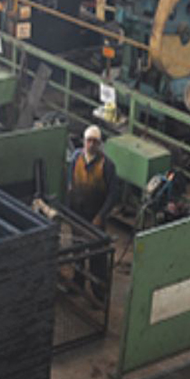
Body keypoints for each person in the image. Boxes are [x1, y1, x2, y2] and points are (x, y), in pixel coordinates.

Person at [65, 126, 118, 301]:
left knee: (97, 256)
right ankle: (77, 283)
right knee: (78, 252)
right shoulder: (76, 158)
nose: (91, 144)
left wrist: (101, 216)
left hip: (96, 217)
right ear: (83, 141)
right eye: (89, 140)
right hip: (78, 215)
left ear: (100, 144)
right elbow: (70, 184)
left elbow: (112, 195)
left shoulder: (107, 165)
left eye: (95, 141)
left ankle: (98, 293)